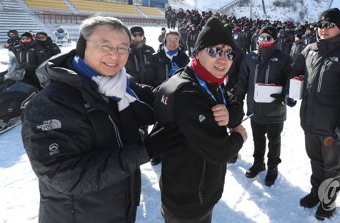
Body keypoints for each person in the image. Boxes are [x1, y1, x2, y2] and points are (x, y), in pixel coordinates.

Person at [21, 15, 178, 223]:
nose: (115, 55)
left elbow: (153, 97)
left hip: (119, 209)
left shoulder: (121, 83)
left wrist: (189, 86)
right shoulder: (51, 103)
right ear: (82, 46)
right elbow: (65, 174)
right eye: (105, 46)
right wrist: (144, 151)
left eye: (123, 48)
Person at [153, 16, 247, 222]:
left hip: (195, 190)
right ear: (198, 52)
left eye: (229, 53)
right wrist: (240, 133)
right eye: (215, 51)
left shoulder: (207, 78)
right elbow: (221, 151)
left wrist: (231, 115)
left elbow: (234, 102)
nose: (223, 59)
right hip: (188, 201)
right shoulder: (189, 93)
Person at [292, 8, 340, 221]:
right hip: (310, 120)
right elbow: (297, 73)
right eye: (321, 25)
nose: (323, 29)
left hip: (333, 126)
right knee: (315, 160)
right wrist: (291, 89)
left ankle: (328, 200)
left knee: (331, 166)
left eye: (329, 25)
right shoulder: (310, 49)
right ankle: (316, 192)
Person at [235, 25, 295, 186]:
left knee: (274, 141)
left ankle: (273, 167)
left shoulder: (284, 59)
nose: (263, 40)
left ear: (275, 39)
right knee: (257, 138)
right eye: (261, 37)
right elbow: (242, 81)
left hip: (274, 110)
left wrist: (286, 96)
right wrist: (237, 100)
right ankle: (258, 163)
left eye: (267, 37)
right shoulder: (250, 57)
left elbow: (290, 82)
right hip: (255, 108)